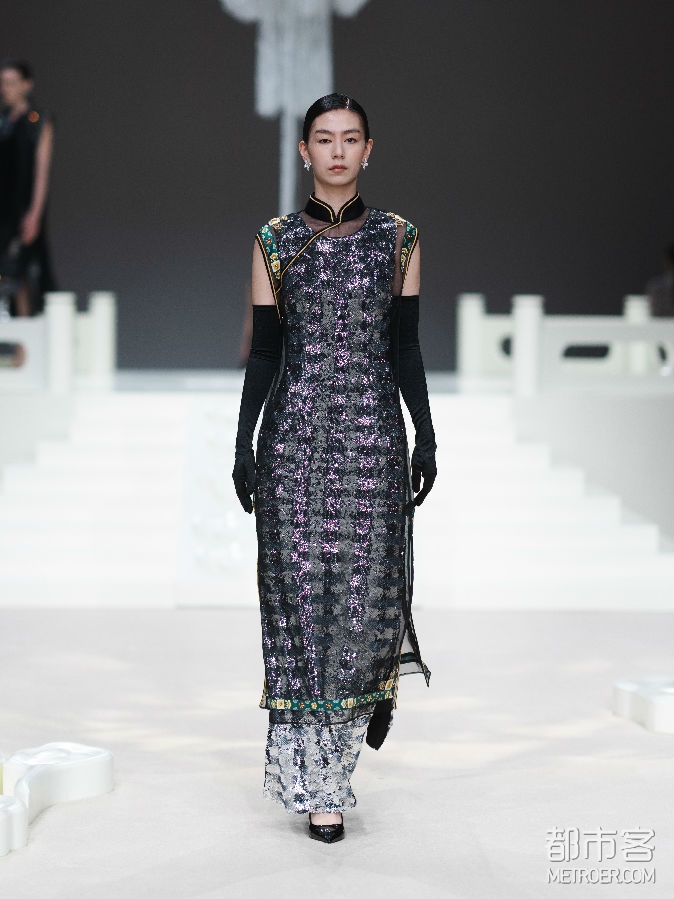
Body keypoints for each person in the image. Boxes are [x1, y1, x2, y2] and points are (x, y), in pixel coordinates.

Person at [232, 93, 436, 844]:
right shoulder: (275, 241)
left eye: (351, 139)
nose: (338, 151)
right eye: (325, 138)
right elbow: (265, 351)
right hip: (294, 443)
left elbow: (406, 347)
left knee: (362, 603)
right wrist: (244, 441)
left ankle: (337, 763)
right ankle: (320, 784)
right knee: (298, 605)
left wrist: (425, 435)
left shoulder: (400, 238)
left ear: (369, 150)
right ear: (304, 151)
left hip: (373, 442)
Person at [0, 59, 57, 317]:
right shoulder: (3, 121)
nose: (5, 89)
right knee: (6, 270)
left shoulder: (38, 120)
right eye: (2, 83)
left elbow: (41, 171)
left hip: (23, 206)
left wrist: (34, 212)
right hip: (3, 204)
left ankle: (27, 326)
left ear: (26, 85)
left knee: (22, 269)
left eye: (11, 83)